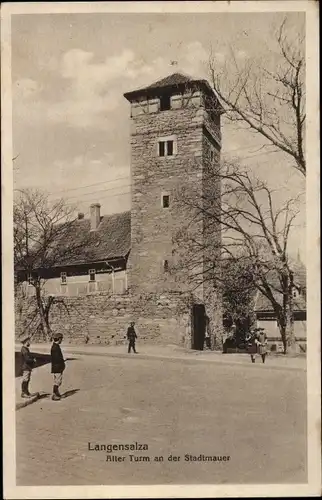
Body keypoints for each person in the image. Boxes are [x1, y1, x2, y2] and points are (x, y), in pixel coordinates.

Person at [51, 333, 65, 401]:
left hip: (57, 367)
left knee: (57, 381)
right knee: (57, 381)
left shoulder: (56, 346)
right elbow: (57, 359)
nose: (61, 340)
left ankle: (57, 393)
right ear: (59, 339)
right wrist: (62, 362)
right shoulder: (55, 347)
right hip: (57, 367)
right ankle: (54, 394)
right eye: (61, 339)